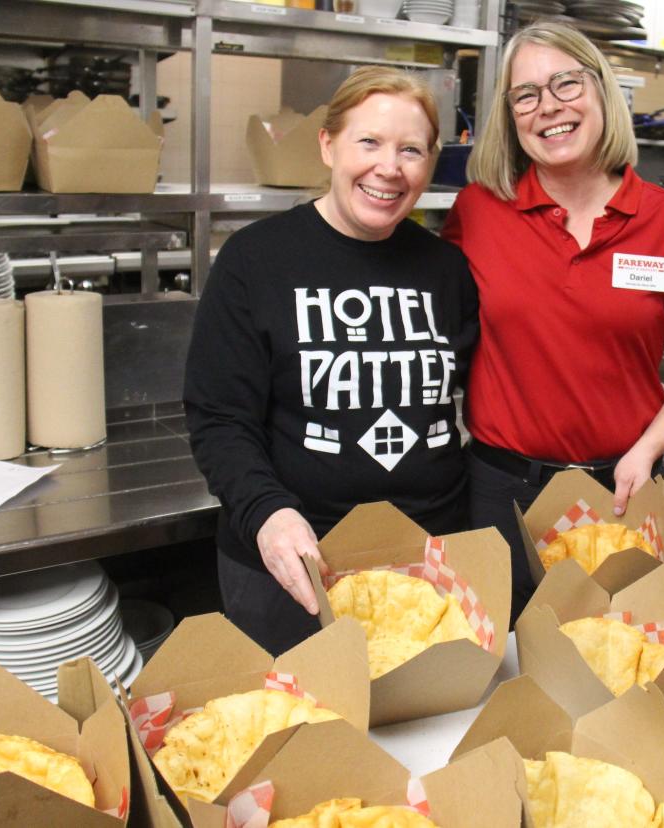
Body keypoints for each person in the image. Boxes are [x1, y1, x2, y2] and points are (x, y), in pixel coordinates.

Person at [442, 22, 664, 624]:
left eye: (565, 83)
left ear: (602, 91)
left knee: (621, 665)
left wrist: (646, 451)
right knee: (506, 668)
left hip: (622, 491)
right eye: (526, 95)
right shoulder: (478, 212)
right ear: (510, 115)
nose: (548, 106)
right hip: (504, 495)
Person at [185, 67, 478, 655]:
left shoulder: (446, 269)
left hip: (428, 560)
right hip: (295, 567)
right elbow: (220, 417)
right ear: (328, 144)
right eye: (368, 142)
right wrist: (267, 515)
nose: (389, 168)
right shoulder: (256, 260)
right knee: (304, 740)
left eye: (411, 150)